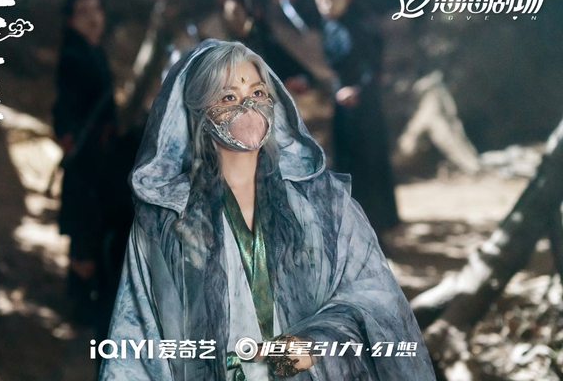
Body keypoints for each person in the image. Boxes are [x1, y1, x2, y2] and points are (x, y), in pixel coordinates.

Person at [99, 40, 435, 380]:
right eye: (228, 97)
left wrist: (313, 342)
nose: (248, 105)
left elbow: (374, 297)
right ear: (198, 111)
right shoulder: (168, 217)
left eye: (258, 93)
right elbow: (137, 341)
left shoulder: (324, 205)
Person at [311, 0, 399, 236]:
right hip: (342, 109)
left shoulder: (362, 27)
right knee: (346, 168)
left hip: (365, 109)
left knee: (367, 170)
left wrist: (356, 90)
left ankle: (377, 233)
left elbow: (374, 71)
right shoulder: (330, 25)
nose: (326, 4)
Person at [52, 0, 118, 327]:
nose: (93, 18)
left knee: (92, 224)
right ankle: (81, 302)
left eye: (97, 10)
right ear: (70, 21)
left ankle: (85, 295)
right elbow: (64, 106)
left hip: (99, 154)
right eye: (83, 12)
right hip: (86, 156)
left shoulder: (94, 50)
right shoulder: (73, 56)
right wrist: (70, 136)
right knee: (85, 227)